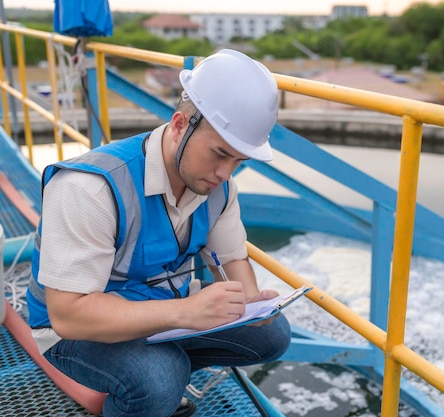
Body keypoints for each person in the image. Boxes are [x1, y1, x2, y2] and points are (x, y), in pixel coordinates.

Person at [26, 49, 291, 417]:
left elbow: (231, 259)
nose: (225, 174)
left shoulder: (216, 187)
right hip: (75, 332)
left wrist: (251, 305)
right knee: (160, 377)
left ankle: (150, 382)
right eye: (219, 154)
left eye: (238, 162)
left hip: (161, 308)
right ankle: (150, 384)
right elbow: (69, 316)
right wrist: (183, 312)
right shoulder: (90, 188)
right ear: (180, 125)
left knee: (271, 334)